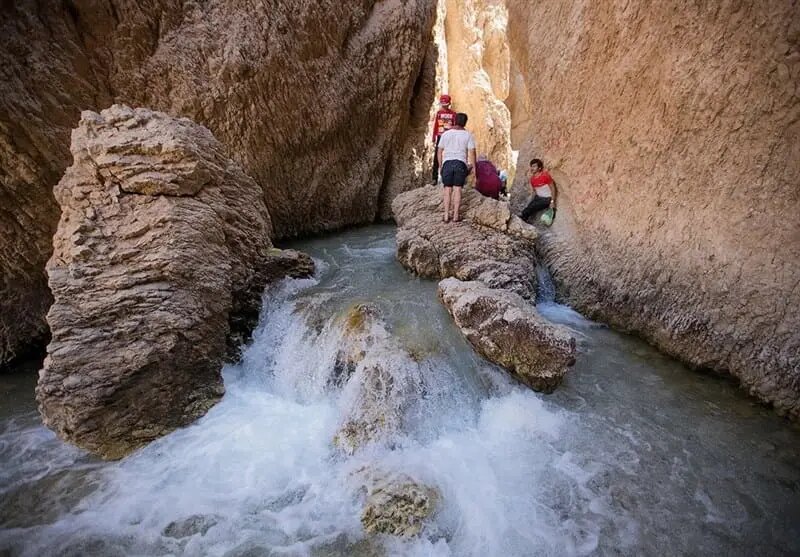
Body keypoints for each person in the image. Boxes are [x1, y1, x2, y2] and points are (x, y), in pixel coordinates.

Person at [438, 112, 476, 222]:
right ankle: (455, 215)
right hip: (460, 163)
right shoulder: (468, 135)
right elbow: (472, 152)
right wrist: (473, 167)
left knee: (447, 189)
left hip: (447, 163)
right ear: (465, 122)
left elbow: (440, 151)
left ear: (455, 120)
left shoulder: (446, 134)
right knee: (458, 189)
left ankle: (446, 215)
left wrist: (441, 166)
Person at [431, 94, 457, 185]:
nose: (443, 106)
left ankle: (448, 177)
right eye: (442, 104)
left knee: (449, 156)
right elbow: (436, 125)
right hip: (440, 136)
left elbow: (455, 126)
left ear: (449, 103)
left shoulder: (453, 114)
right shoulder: (439, 113)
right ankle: (434, 178)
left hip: (450, 137)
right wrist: (434, 136)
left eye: (445, 104)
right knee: (436, 157)